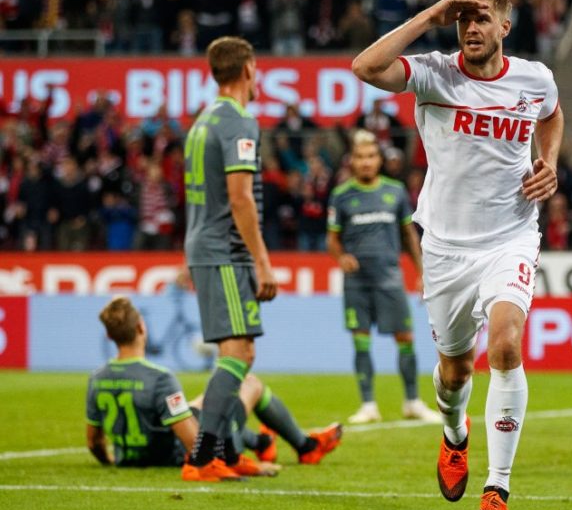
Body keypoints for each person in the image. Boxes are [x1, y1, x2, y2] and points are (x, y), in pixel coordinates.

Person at [351, 0, 563, 510]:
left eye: (481, 17)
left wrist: (550, 162)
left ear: (504, 27)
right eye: (462, 18)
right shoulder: (434, 73)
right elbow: (366, 68)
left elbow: (552, 115)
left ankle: (498, 487)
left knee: (507, 343)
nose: (471, 27)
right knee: (453, 371)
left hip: (510, 237)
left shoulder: (534, 79)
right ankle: (453, 436)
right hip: (444, 245)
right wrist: (432, 13)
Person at [182, 37, 342, 481]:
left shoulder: (201, 122)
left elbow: (198, 196)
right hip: (225, 251)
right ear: (249, 69)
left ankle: (229, 456)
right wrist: (263, 262)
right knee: (239, 353)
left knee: (233, 354)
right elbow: (240, 199)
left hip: (205, 245)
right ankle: (201, 458)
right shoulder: (238, 122)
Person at [87, 296, 306, 474]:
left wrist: (111, 460)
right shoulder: (160, 378)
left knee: (198, 404)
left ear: (108, 335)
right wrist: (256, 469)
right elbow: (195, 443)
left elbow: (94, 442)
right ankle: (283, 444)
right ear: (141, 328)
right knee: (247, 385)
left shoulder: (97, 378)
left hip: (128, 458)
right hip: (173, 457)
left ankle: (261, 442)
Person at [326, 130, 442, 425]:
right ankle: (368, 405)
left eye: (371, 156)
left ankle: (413, 401)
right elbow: (332, 239)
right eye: (361, 157)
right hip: (357, 282)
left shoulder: (395, 192)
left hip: (389, 277)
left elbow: (408, 236)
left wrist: (422, 273)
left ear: (379, 159)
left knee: (405, 337)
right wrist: (341, 257)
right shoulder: (341, 196)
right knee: (360, 341)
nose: (366, 162)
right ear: (352, 161)